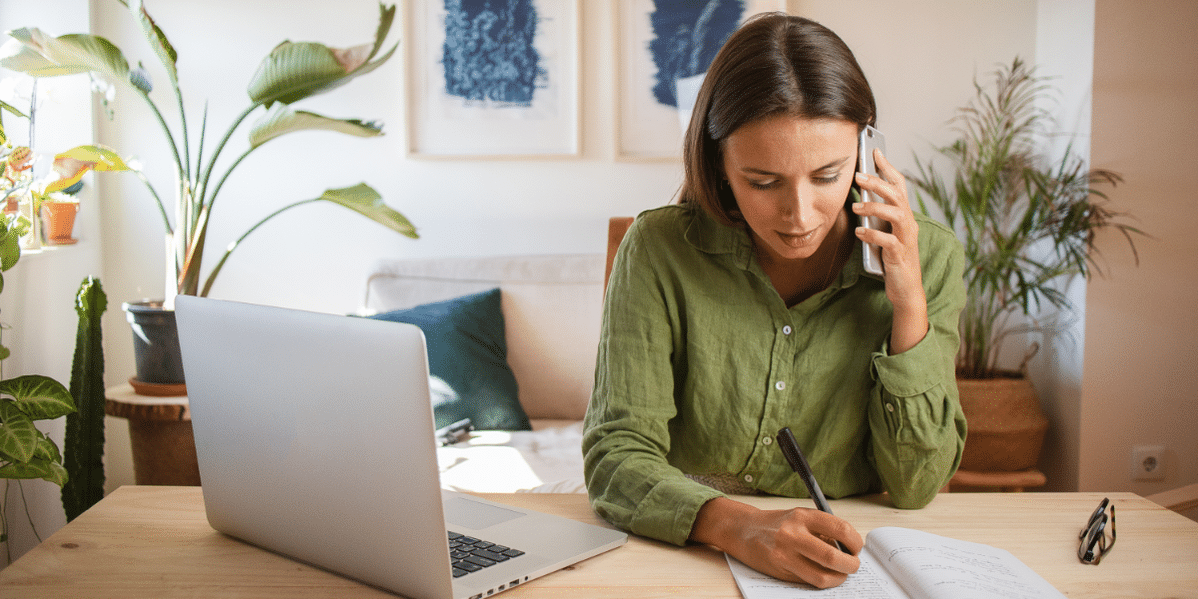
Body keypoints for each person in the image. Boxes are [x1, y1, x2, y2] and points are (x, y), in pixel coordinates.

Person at [582, 13, 967, 589]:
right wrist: (740, 527)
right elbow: (616, 456)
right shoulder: (659, 249)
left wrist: (908, 305)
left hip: (851, 571)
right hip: (685, 559)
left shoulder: (929, 257)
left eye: (828, 176)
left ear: (866, 154)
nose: (800, 215)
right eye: (763, 182)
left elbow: (916, 484)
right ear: (718, 164)